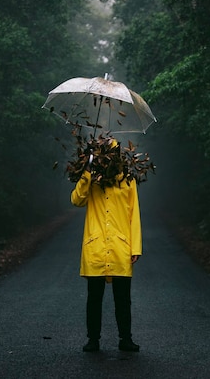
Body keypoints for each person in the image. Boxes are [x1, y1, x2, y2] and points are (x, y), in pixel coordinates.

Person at [70, 138, 142, 353]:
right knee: (94, 298)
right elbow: (76, 200)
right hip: (96, 247)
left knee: (123, 299)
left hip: (121, 247)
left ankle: (125, 339)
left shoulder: (128, 180)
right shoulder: (92, 179)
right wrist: (87, 172)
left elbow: (134, 215)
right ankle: (93, 340)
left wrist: (135, 247)